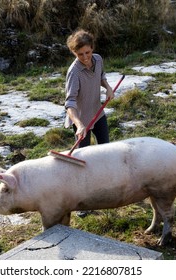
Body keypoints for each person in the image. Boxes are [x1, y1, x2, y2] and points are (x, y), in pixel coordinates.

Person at [64, 29, 114, 218]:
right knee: (82, 163)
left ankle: (107, 190)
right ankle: (82, 202)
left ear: (92, 48)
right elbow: (69, 103)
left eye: (87, 52)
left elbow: (101, 77)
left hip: (98, 114)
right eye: (80, 54)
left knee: (106, 152)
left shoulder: (98, 59)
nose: (85, 57)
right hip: (81, 121)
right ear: (74, 54)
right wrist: (79, 124)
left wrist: (108, 88)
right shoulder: (74, 72)